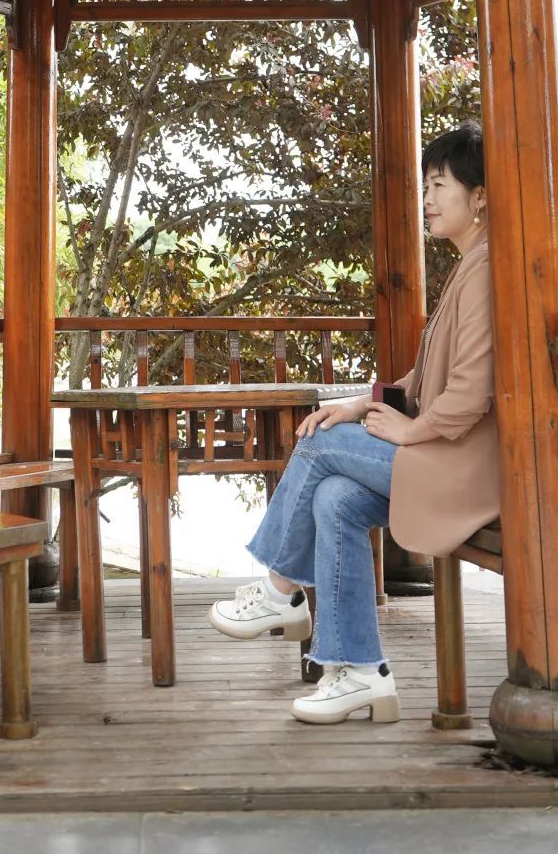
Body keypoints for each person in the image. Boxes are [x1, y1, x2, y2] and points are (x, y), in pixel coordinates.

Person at [208, 120, 499, 724]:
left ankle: (280, 590)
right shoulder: (471, 265)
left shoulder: (487, 271)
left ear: (478, 197)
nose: (426, 199)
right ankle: (361, 672)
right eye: (424, 186)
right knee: (335, 497)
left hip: (466, 470)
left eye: (439, 185)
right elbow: (427, 376)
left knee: (319, 445)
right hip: (447, 458)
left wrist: (410, 431)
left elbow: (469, 394)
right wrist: (362, 404)